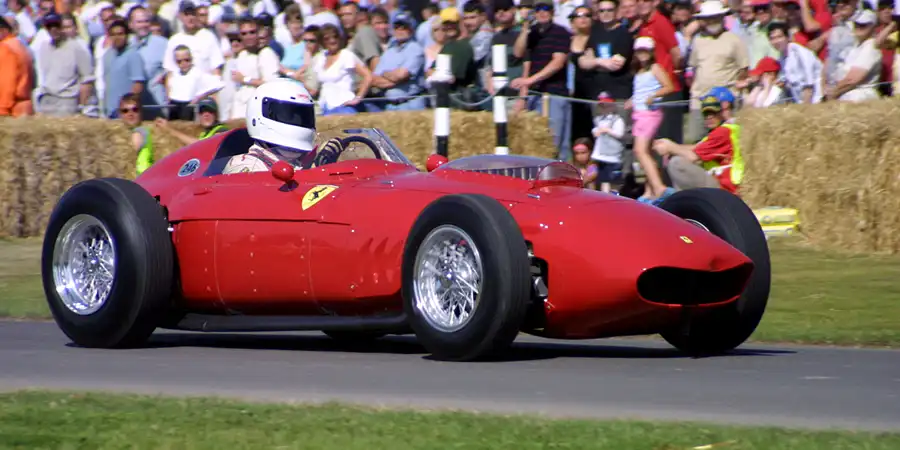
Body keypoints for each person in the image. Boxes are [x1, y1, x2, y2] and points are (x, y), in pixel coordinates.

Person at [222, 79, 344, 174]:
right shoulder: (245, 165)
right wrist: (314, 170)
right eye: (289, 116)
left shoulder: (301, 162)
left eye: (302, 116)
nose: (297, 121)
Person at [651, 94, 744, 195]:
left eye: (713, 113)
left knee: (676, 163)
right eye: (706, 114)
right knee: (678, 157)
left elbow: (693, 156)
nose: (710, 117)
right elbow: (696, 148)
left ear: (721, 113)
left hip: (726, 188)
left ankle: (681, 199)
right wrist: (668, 145)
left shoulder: (722, 132)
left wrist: (670, 147)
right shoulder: (720, 131)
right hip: (722, 184)